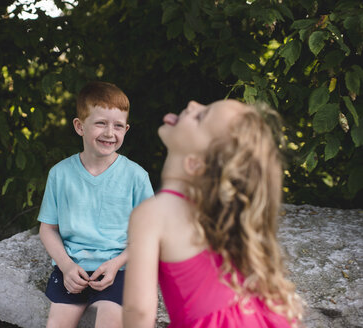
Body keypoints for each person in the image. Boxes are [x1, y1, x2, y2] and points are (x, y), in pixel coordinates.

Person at [123, 100, 304, 327]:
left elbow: (138, 311)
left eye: (200, 117)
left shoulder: (153, 214)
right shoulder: (222, 216)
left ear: (195, 164)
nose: (191, 104)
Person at [38, 81, 154, 328]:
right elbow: (47, 229)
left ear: (126, 129)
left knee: (110, 321)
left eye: (118, 126)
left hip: (118, 269)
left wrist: (116, 264)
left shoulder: (136, 177)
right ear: (80, 126)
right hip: (73, 270)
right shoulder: (60, 174)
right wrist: (66, 266)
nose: (110, 133)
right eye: (101, 123)